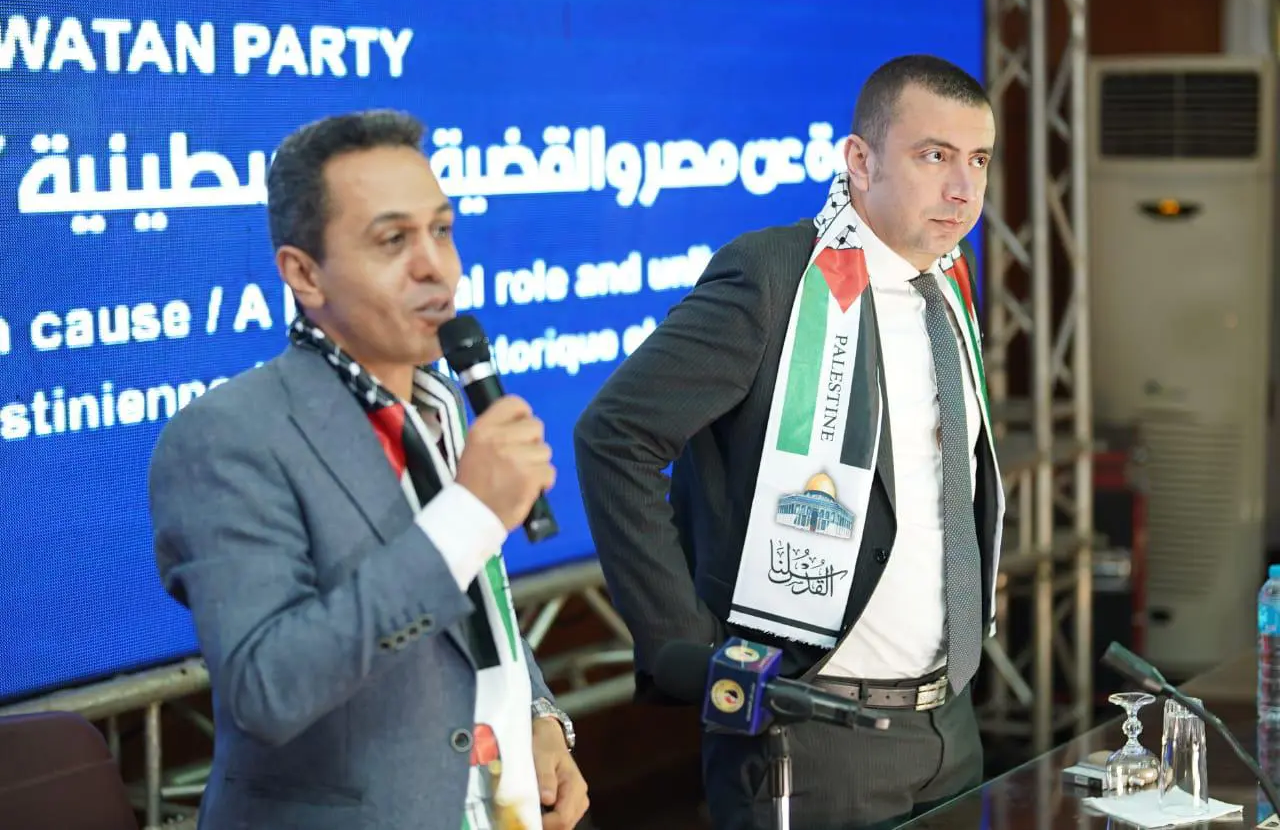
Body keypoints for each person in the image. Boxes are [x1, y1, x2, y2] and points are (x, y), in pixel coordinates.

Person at [574, 54, 1004, 830]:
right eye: (934, 155)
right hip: (811, 732)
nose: (962, 188)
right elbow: (614, 435)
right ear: (859, 161)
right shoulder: (774, 278)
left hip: (951, 720)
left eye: (978, 160)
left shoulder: (951, 278)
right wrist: (684, 645)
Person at [149, 110, 589, 830]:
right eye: (393, 240)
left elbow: (471, 604)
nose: (435, 266)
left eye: (441, 230)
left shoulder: (442, 402)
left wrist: (535, 713)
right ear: (304, 273)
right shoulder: (227, 437)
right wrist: (470, 513)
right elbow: (266, 688)